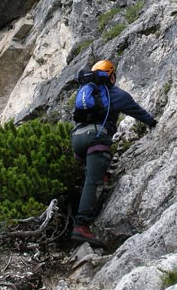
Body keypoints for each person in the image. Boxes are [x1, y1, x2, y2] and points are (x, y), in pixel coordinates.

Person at [70, 59, 157, 247]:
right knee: (93, 181)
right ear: (110, 75)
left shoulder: (86, 92)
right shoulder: (116, 94)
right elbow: (138, 112)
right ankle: (81, 226)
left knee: (92, 176)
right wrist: (152, 123)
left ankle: (102, 182)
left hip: (77, 139)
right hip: (96, 138)